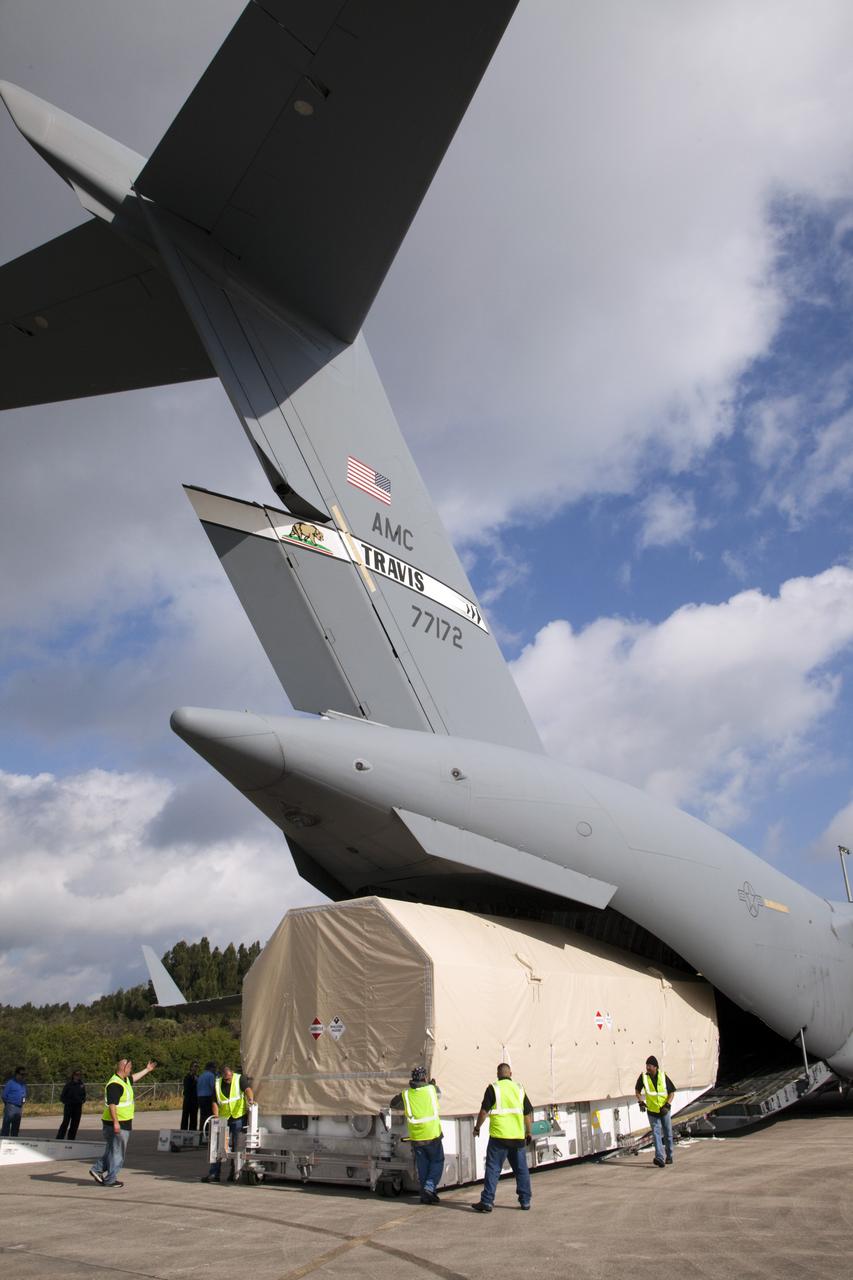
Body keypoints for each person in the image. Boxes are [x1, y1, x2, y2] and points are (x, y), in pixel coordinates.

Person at [471, 1062, 533, 1213]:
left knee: (493, 1169)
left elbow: (484, 1112)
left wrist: (477, 1127)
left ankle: (487, 1201)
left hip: (499, 1137)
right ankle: (525, 1201)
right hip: (517, 1137)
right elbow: (527, 1113)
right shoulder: (519, 1089)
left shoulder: (493, 1088)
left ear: (498, 1075)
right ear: (510, 1074)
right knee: (521, 1170)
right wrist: (528, 1132)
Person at [89, 1056, 157, 1188]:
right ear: (124, 1067)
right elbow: (112, 1105)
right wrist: (116, 1123)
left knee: (112, 1151)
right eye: (130, 1067)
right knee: (117, 1153)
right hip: (117, 1123)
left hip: (120, 1122)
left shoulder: (124, 1080)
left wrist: (147, 1070)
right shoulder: (115, 1084)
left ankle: (97, 1169)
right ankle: (110, 1179)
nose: (131, 1070)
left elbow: (134, 1078)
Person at [390, 1066, 444, 1204]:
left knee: (423, 1166)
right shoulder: (431, 1089)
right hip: (432, 1134)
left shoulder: (406, 1094)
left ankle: (425, 1195)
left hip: (416, 1137)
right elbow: (437, 1092)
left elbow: (393, 1104)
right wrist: (431, 1084)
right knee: (437, 1161)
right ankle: (429, 1187)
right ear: (424, 1078)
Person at [201, 1065, 254, 1183]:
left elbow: (248, 1090)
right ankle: (214, 1173)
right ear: (222, 1076)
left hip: (238, 1117)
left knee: (237, 1146)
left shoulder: (240, 1079)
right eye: (226, 1079)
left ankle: (235, 1172)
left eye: (229, 1078)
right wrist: (216, 1116)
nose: (228, 1081)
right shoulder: (217, 1083)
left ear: (232, 1074)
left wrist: (250, 1100)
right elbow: (214, 1101)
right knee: (218, 1146)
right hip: (223, 1118)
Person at [636, 1055, 676, 1167]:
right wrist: (640, 1102)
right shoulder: (643, 1077)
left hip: (664, 1111)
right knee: (656, 1134)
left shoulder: (663, 1076)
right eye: (646, 1065)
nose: (647, 1068)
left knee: (668, 1133)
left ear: (655, 1067)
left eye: (649, 1066)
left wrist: (667, 1105)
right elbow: (637, 1091)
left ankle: (669, 1156)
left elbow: (672, 1092)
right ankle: (659, 1158)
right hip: (652, 1111)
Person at [57, 1070, 87, 1140]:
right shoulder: (68, 1085)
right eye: (76, 1075)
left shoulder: (81, 1085)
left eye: (79, 1075)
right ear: (73, 1076)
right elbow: (62, 1097)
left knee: (75, 1124)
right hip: (69, 1106)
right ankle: (59, 1138)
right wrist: (67, 1102)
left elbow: (84, 1095)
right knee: (65, 1122)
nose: (78, 1076)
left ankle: (71, 1138)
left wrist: (82, 1100)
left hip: (78, 1107)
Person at [1, 1066, 27, 1137]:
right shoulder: (10, 1083)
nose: (23, 1076)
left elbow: (24, 1094)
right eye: (22, 1074)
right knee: (6, 1127)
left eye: (24, 1074)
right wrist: (9, 1104)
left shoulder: (23, 1084)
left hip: (19, 1108)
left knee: (15, 1128)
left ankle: (14, 1143)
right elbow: (4, 1095)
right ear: (17, 1074)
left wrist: (23, 1102)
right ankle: (3, 1141)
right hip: (11, 1107)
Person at [196, 1061, 216, 1131]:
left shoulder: (201, 1075)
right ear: (211, 1068)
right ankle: (208, 1131)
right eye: (214, 1068)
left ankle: (202, 1130)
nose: (215, 1069)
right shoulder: (211, 1075)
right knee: (209, 1116)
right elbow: (213, 1087)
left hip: (200, 1097)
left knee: (203, 1115)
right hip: (208, 1097)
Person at [181, 1060, 199, 1131]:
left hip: (195, 1100)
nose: (196, 1068)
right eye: (195, 1066)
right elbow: (187, 1088)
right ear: (191, 1067)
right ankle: (183, 1132)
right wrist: (194, 1081)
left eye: (197, 1067)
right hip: (188, 1100)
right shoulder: (187, 1077)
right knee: (185, 1118)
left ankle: (193, 1132)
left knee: (194, 1118)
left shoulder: (198, 1077)